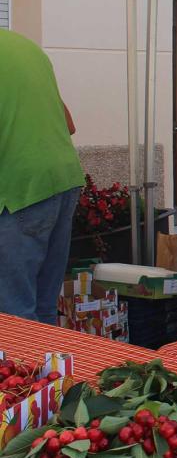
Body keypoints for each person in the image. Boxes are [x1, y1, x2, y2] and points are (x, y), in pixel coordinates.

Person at [0, 31, 84, 324]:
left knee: (14, 316)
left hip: (19, 191)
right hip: (62, 180)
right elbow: (68, 124)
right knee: (44, 306)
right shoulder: (25, 47)